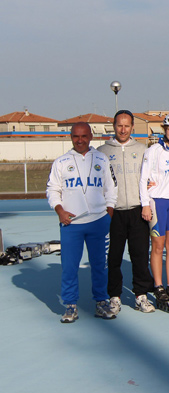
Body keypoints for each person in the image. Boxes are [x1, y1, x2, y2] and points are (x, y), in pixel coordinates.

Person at [47, 122, 118, 323]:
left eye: (84, 136)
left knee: (99, 265)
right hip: (71, 224)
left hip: (98, 222)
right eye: (76, 136)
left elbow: (111, 188)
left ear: (90, 136)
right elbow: (53, 190)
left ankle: (101, 302)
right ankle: (70, 305)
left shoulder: (101, 159)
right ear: (71, 137)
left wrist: (109, 213)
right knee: (69, 267)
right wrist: (60, 211)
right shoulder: (61, 162)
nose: (80, 140)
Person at [97, 109, 156, 314]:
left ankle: (141, 295)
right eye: (119, 125)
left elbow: (152, 177)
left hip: (138, 210)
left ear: (132, 127)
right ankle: (114, 296)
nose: (123, 129)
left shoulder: (142, 150)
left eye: (127, 125)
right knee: (113, 257)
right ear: (114, 126)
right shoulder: (102, 151)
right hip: (113, 212)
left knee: (139, 255)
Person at [140, 112, 169, 308]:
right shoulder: (153, 151)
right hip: (157, 202)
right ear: (164, 130)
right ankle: (158, 285)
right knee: (158, 246)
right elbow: (143, 178)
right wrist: (145, 203)